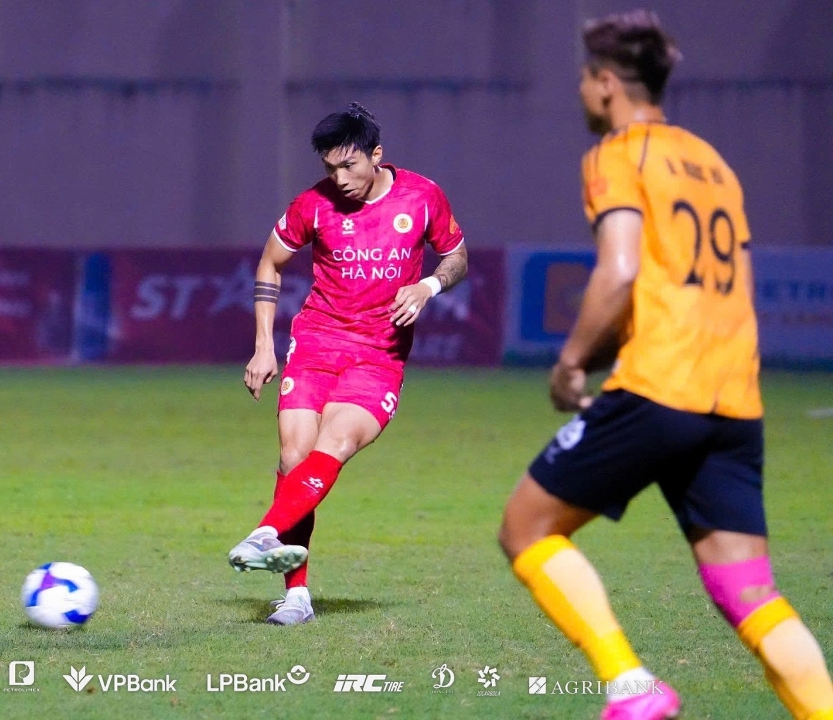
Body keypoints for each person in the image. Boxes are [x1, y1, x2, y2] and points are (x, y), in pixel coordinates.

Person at [497, 11, 833, 720]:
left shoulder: (618, 155)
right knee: (751, 594)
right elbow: (716, 289)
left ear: (607, 83)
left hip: (659, 386)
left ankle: (631, 685)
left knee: (527, 528)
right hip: (733, 399)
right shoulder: (714, 164)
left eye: (584, 79)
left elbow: (619, 272)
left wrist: (571, 363)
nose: (581, 92)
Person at [230, 102, 468, 625]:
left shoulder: (421, 197)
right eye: (329, 168)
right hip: (317, 342)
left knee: (335, 443)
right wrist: (264, 345)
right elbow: (270, 261)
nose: (339, 179)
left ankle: (266, 532)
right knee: (294, 458)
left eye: (349, 165)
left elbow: (457, 256)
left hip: (379, 354)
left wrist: (428, 286)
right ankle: (297, 598)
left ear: (375, 155)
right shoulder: (312, 205)